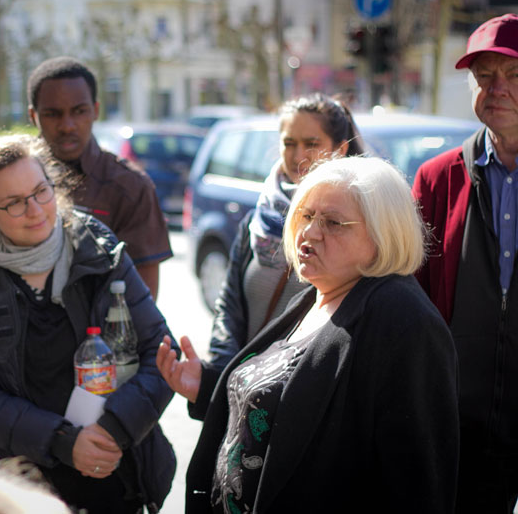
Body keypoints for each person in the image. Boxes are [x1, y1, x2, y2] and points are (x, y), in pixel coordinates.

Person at [158, 156, 459, 513]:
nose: (310, 233)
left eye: (333, 222)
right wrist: (208, 386)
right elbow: (290, 407)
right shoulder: (315, 297)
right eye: (306, 215)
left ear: (383, 235)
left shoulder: (403, 319)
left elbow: (417, 485)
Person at [0, 134, 177, 513]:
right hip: (18, 488)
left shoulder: (99, 250)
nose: (35, 210)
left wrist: (113, 431)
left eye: (41, 191)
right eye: (15, 203)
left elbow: (162, 353)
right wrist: (62, 441)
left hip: (114, 475)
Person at [412, 13, 518, 513]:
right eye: (484, 77)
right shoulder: (436, 178)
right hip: (459, 425)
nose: (496, 89)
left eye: (514, 76)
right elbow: (411, 296)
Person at [208, 93, 364, 368]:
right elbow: (229, 306)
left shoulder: (356, 226)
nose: (298, 155)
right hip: (247, 387)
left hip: (306, 387)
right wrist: (221, 372)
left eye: (311, 144)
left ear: (340, 150)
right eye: (289, 143)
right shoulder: (258, 218)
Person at [26, 56, 172, 300]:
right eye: (53, 114)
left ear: (95, 110)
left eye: (79, 111)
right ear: (33, 116)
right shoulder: (2, 178)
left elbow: (144, 297)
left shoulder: (131, 187)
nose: (67, 125)